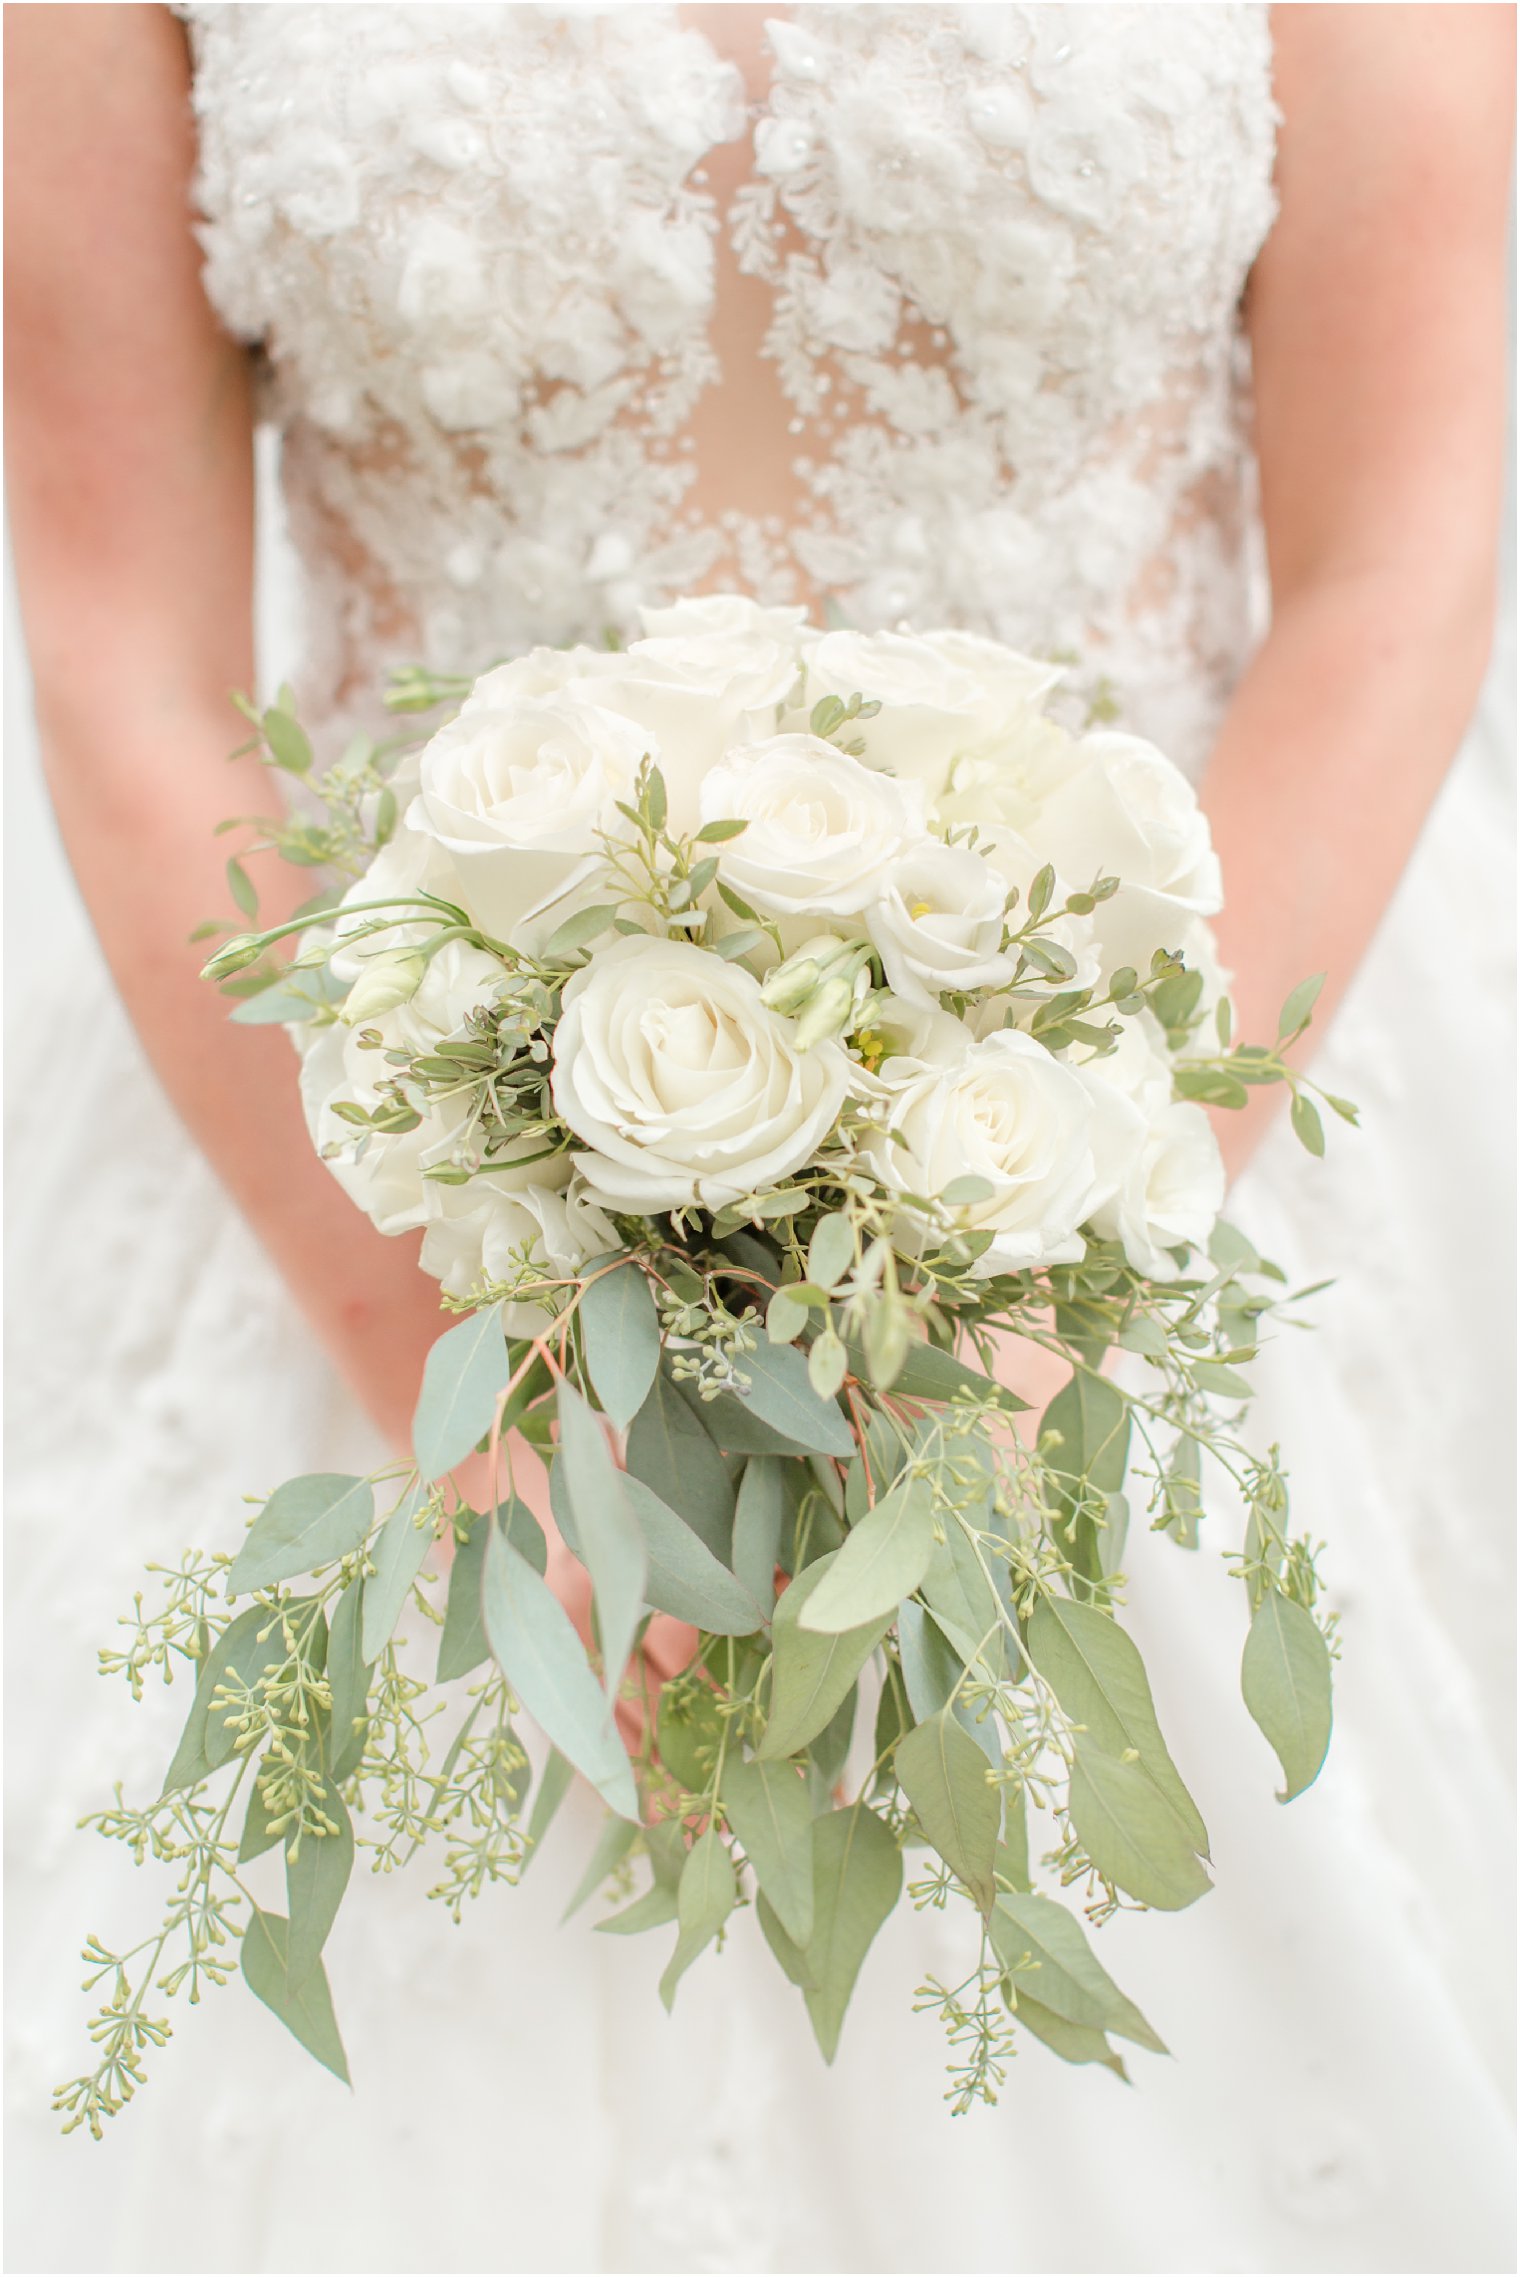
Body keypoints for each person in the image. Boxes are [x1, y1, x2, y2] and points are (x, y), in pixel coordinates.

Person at [5, 6, 1514, 2270]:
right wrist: (465, 1358)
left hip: (1181, 1083)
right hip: (372, 1147)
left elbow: (1396, 561)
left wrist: (1036, 1275)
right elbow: (127, 648)